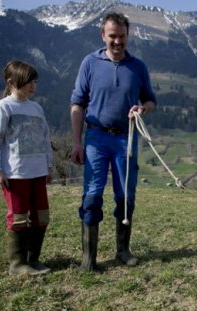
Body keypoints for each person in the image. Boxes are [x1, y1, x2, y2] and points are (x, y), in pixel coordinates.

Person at [70, 12, 157, 271]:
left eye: (122, 36)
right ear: (103, 36)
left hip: (125, 139)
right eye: (112, 36)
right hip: (95, 137)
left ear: (128, 36)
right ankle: (89, 258)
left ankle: (123, 250)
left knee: (126, 196)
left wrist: (143, 109)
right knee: (93, 194)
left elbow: (151, 100)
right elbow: (77, 104)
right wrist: (77, 141)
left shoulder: (138, 67)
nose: (118, 41)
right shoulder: (89, 62)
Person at [0, 60, 53, 276]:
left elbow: (45, 139)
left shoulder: (36, 108)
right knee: (19, 217)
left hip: (37, 172)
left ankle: (34, 259)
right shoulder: (3, 107)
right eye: (27, 82)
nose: (32, 87)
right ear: (11, 82)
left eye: (35, 82)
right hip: (15, 174)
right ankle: (17, 264)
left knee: (41, 216)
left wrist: (48, 165)